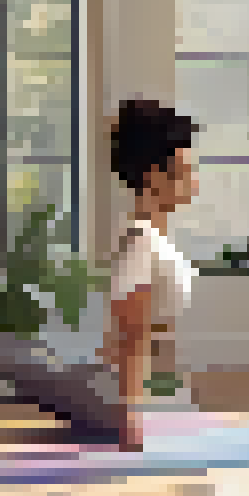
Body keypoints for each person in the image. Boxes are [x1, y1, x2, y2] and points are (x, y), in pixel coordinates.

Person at [101, 98, 202, 452]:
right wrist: (131, 420)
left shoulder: (152, 238)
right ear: (153, 176)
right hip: (147, 404)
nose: (195, 185)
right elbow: (130, 334)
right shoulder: (140, 241)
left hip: (166, 400)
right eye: (187, 172)